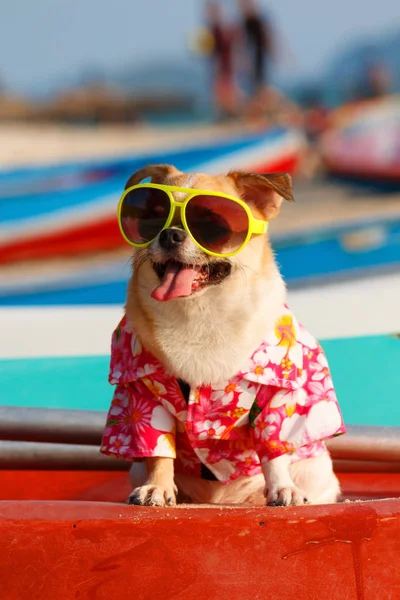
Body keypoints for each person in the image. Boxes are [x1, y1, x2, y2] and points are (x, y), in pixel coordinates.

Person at [204, 1, 238, 120]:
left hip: (224, 66)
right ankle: (226, 115)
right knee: (222, 92)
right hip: (220, 66)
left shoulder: (220, 30)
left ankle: (229, 115)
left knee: (225, 91)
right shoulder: (214, 30)